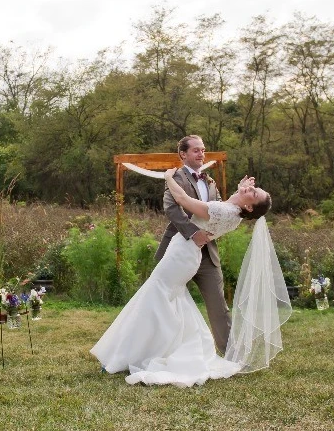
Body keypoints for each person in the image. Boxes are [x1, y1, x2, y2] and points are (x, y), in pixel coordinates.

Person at [90, 164, 281, 387]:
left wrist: (168, 177)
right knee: (166, 300)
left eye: (254, 193)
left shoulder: (225, 212)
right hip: (185, 253)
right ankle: (152, 349)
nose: (251, 189)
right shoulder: (233, 212)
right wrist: (241, 189)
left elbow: (182, 199)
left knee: (153, 298)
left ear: (249, 206)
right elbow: (227, 203)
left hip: (182, 255)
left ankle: (130, 354)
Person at [154, 135, 236, 354]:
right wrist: (193, 233)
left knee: (219, 306)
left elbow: (218, 210)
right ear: (183, 154)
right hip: (179, 251)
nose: (202, 154)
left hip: (207, 254)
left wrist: (211, 233)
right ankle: (157, 351)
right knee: (164, 303)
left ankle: (230, 353)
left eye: (203, 150)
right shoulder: (175, 178)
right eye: (196, 150)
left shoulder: (210, 181)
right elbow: (172, 208)